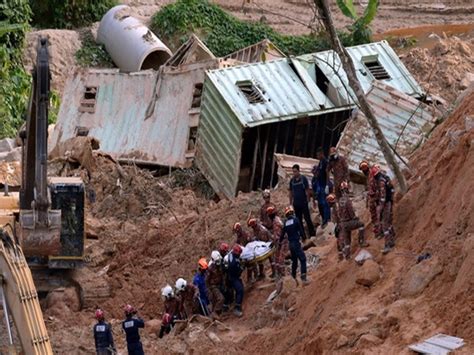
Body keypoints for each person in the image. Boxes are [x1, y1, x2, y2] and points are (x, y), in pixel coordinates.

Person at [328, 182, 367, 261]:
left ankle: (347, 256)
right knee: (361, 224)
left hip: (342, 225)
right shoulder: (347, 200)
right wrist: (355, 218)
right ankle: (361, 241)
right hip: (348, 223)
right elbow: (351, 212)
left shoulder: (339, 202)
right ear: (346, 189)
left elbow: (337, 217)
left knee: (347, 241)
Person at [372, 165, 396, 254]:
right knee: (389, 222)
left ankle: (387, 245)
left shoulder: (381, 181)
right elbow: (392, 189)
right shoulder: (386, 178)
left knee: (385, 224)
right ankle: (392, 241)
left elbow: (382, 197)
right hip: (389, 202)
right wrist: (391, 200)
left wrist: (380, 208)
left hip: (385, 204)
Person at [289, 164, 316, 240]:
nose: (294, 173)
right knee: (299, 221)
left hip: (303, 203)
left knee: (307, 219)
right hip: (296, 204)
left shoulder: (303, 179)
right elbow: (290, 192)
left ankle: (312, 234)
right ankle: (303, 236)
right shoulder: (292, 181)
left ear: (299, 171)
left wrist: (308, 200)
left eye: (295, 171)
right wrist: (290, 203)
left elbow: (307, 190)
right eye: (293, 172)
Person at [282, 206, 308, 284]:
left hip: (291, 244)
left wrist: (279, 243)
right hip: (296, 243)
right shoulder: (296, 220)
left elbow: (282, 235)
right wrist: (304, 238)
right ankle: (303, 276)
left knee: (294, 261)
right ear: (292, 212)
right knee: (302, 259)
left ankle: (293, 276)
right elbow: (300, 230)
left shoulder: (285, 223)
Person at [312, 148, 331, 228]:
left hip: (324, 185)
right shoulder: (320, 162)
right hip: (320, 185)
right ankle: (323, 218)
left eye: (318, 155)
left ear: (321, 153)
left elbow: (327, 174)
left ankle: (327, 219)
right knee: (320, 204)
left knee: (325, 203)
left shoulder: (325, 162)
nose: (317, 156)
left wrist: (327, 185)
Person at [224, 244, 245, 317]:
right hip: (232, 277)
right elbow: (237, 273)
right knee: (240, 290)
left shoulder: (231, 255)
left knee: (229, 291)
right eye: (239, 253)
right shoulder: (233, 262)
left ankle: (226, 306)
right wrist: (242, 267)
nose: (240, 254)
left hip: (229, 276)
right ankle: (237, 308)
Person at [360, 160, 379, 237]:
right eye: (362, 169)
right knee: (374, 214)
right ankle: (377, 229)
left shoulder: (372, 174)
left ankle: (380, 229)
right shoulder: (368, 176)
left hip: (376, 197)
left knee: (378, 214)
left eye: (364, 169)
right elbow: (369, 189)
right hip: (372, 198)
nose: (363, 171)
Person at [206, 251, 225, 317]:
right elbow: (207, 280)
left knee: (216, 301)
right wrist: (209, 290)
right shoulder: (210, 268)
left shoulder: (220, 265)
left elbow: (222, 274)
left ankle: (215, 316)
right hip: (213, 286)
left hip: (219, 284)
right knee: (221, 298)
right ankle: (214, 313)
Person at [266, 206, 283, 279]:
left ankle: (282, 274)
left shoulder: (276, 221)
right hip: (279, 241)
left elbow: (278, 234)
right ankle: (280, 273)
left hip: (281, 242)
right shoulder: (276, 220)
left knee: (279, 259)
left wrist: (274, 242)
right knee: (277, 259)